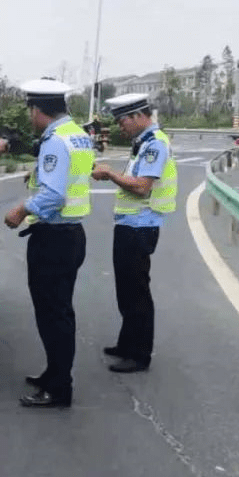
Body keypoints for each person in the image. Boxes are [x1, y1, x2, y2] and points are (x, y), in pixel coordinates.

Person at [2, 79, 94, 408]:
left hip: (54, 238)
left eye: (30, 111)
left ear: (38, 110)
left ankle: (58, 387)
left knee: (53, 315)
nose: (29, 118)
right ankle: (54, 373)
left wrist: (21, 210)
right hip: (71, 235)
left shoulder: (56, 141)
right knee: (59, 311)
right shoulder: (80, 136)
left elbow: (54, 194)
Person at [90, 93, 177, 373]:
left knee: (136, 291)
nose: (120, 127)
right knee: (126, 290)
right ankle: (127, 343)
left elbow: (141, 187)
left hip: (140, 226)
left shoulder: (154, 145)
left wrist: (111, 175)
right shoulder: (143, 144)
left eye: (123, 120)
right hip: (131, 224)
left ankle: (139, 354)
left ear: (139, 116)